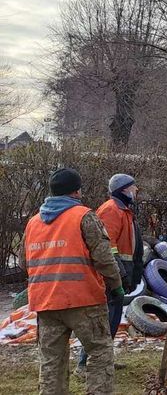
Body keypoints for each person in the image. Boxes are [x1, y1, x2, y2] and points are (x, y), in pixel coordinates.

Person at [23, 168, 123, 395]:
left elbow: (23, 262)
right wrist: (116, 285)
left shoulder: (33, 223)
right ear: (77, 191)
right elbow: (104, 258)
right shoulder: (84, 216)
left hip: (45, 303)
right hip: (83, 300)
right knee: (99, 351)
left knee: (51, 362)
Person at [77, 174, 143, 375]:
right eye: (133, 187)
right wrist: (118, 275)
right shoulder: (111, 210)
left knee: (111, 321)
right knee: (103, 322)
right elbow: (107, 247)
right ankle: (84, 364)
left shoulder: (123, 211)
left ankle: (103, 361)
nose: (136, 191)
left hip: (119, 274)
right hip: (110, 277)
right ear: (123, 190)